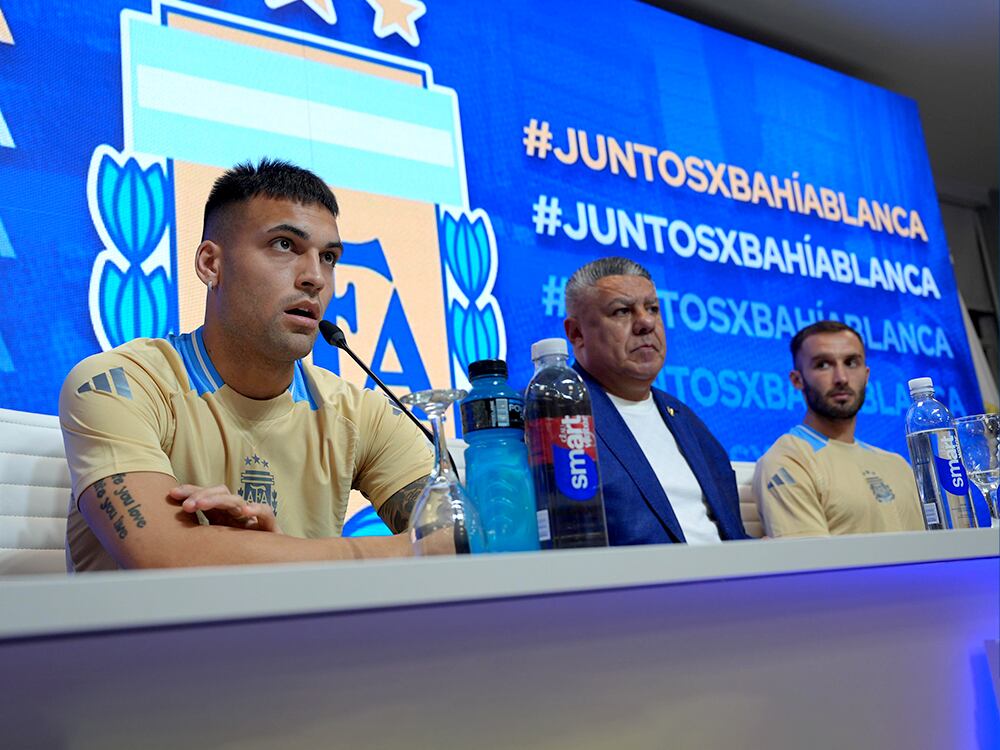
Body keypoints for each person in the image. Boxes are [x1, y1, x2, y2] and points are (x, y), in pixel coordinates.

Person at [60, 159, 435, 571]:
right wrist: (407, 550)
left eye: (328, 257)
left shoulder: (362, 415)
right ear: (211, 264)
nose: (315, 278)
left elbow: (462, 537)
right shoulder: (119, 384)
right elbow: (162, 555)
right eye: (284, 245)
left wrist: (265, 553)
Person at [562, 257, 749, 545]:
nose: (646, 323)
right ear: (577, 334)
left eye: (652, 309)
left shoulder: (685, 420)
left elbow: (728, 535)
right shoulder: (553, 416)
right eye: (622, 311)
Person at [752, 320, 923, 537]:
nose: (841, 378)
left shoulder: (898, 466)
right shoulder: (788, 461)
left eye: (851, 363)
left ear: (866, 375)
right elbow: (811, 558)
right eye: (823, 365)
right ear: (797, 380)